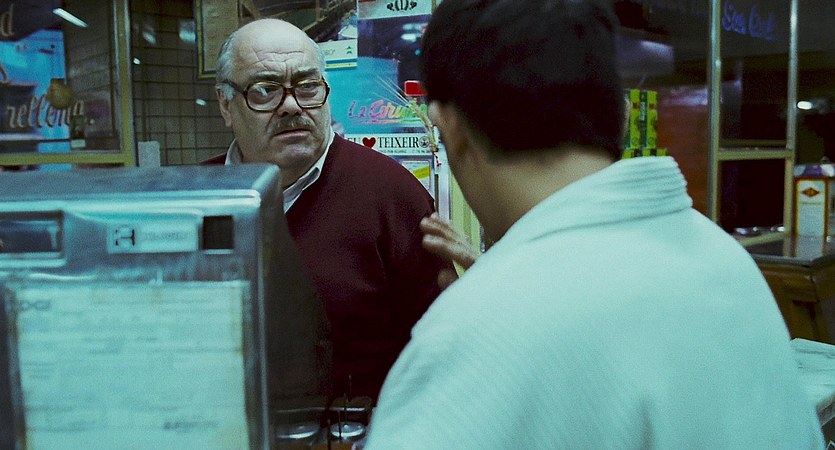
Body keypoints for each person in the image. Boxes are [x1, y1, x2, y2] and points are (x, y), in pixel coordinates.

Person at [364, 1, 824, 448]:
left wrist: (492, 291)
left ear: (449, 127)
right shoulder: (723, 258)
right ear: (621, 116)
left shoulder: (473, 339)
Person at [206, 18, 450, 402]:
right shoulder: (196, 198)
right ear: (226, 104)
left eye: (307, 86)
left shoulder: (393, 195)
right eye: (265, 90)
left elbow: (442, 347)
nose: (291, 105)